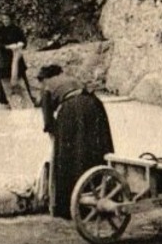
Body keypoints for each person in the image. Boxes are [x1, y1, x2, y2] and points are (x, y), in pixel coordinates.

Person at [38, 64, 114, 220]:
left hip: (72, 109)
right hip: (94, 105)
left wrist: (56, 139)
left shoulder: (46, 86)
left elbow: (47, 121)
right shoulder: (71, 79)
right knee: (93, 150)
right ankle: (101, 192)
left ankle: (73, 205)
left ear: (44, 78)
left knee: (70, 156)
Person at [0, 13, 32, 105]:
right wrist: (8, 47)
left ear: (11, 19)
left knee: (20, 74)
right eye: (4, 19)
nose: (5, 21)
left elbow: (24, 41)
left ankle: (24, 96)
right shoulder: (0, 30)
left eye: (7, 19)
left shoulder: (17, 29)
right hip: (4, 56)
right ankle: (3, 98)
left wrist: (21, 44)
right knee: (3, 74)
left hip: (16, 54)